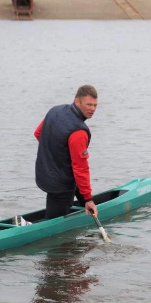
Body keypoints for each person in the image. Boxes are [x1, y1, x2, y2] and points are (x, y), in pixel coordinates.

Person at [32, 84, 99, 221]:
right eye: (89, 104)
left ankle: (85, 202)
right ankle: (26, 228)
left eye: (95, 105)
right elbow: (80, 168)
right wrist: (89, 199)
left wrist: (56, 157)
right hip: (60, 184)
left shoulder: (55, 111)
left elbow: (39, 134)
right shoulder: (79, 132)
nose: (92, 109)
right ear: (77, 101)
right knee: (54, 223)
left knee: (77, 196)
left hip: (45, 172)